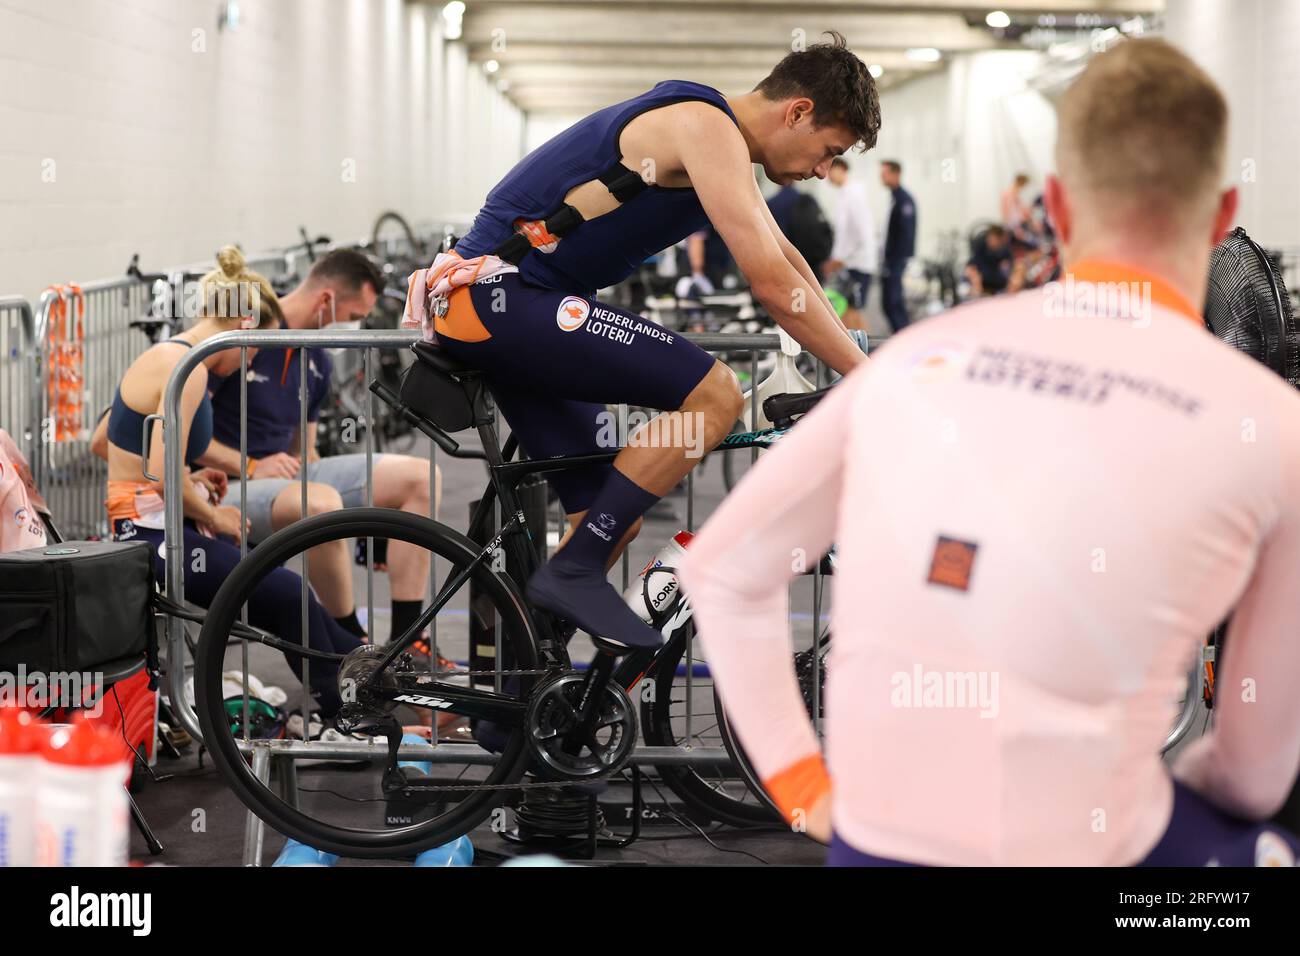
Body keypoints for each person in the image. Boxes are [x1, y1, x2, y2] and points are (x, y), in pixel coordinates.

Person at [679, 38, 1300, 867]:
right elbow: (1255, 775)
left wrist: (804, 788)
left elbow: (724, 570)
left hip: (879, 845)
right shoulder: (1271, 424)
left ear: (1056, 206)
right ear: (1223, 217)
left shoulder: (914, 360)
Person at [405, 31, 876, 652]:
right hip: (502, 300)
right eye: (829, 151)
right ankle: (571, 573)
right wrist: (872, 381)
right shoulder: (705, 127)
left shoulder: (723, 151)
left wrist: (858, 361)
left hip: (509, 310)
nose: (823, 171)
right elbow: (770, 286)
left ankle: (516, 707)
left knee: (607, 519)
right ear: (798, 112)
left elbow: (792, 269)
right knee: (715, 393)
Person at [100, 248, 362, 718]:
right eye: (257, 347)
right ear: (243, 325)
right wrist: (212, 512)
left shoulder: (173, 356)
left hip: (153, 523)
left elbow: (109, 440)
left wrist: (190, 475)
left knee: (291, 602)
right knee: (289, 595)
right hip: (147, 535)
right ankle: (342, 714)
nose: (250, 362)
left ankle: (369, 675)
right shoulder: (190, 368)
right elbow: (157, 474)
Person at [199, 249, 443, 653]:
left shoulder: (318, 358)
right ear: (326, 300)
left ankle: (408, 641)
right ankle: (351, 644)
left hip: (284, 478)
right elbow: (185, 433)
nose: (353, 326)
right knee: (322, 504)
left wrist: (376, 519)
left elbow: (306, 451)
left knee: (421, 476)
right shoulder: (247, 330)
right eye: (351, 315)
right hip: (224, 484)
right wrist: (251, 464)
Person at [822, 156, 878, 330]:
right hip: (850, 262)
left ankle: (865, 354)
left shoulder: (854, 195)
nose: (827, 175)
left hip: (858, 263)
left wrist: (841, 259)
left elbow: (862, 234)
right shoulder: (845, 194)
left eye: (830, 170)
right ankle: (862, 353)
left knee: (853, 312)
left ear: (842, 170)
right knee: (848, 311)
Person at [879, 159, 916, 332]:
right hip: (889, 261)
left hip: (896, 261)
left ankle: (905, 338)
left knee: (894, 303)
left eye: (885, 173)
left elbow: (907, 234)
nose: (882, 177)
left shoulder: (904, 200)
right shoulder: (894, 198)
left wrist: (899, 261)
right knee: (887, 304)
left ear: (896, 174)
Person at [964, 224, 1024, 296]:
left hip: (999, 281)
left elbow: (1013, 265)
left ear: (1000, 239)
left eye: (993, 238)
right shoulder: (981, 246)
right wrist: (975, 279)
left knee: (1019, 269)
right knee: (972, 274)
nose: (990, 240)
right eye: (989, 237)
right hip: (982, 281)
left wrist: (1015, 277)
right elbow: (970, 266)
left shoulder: (1004, 249)